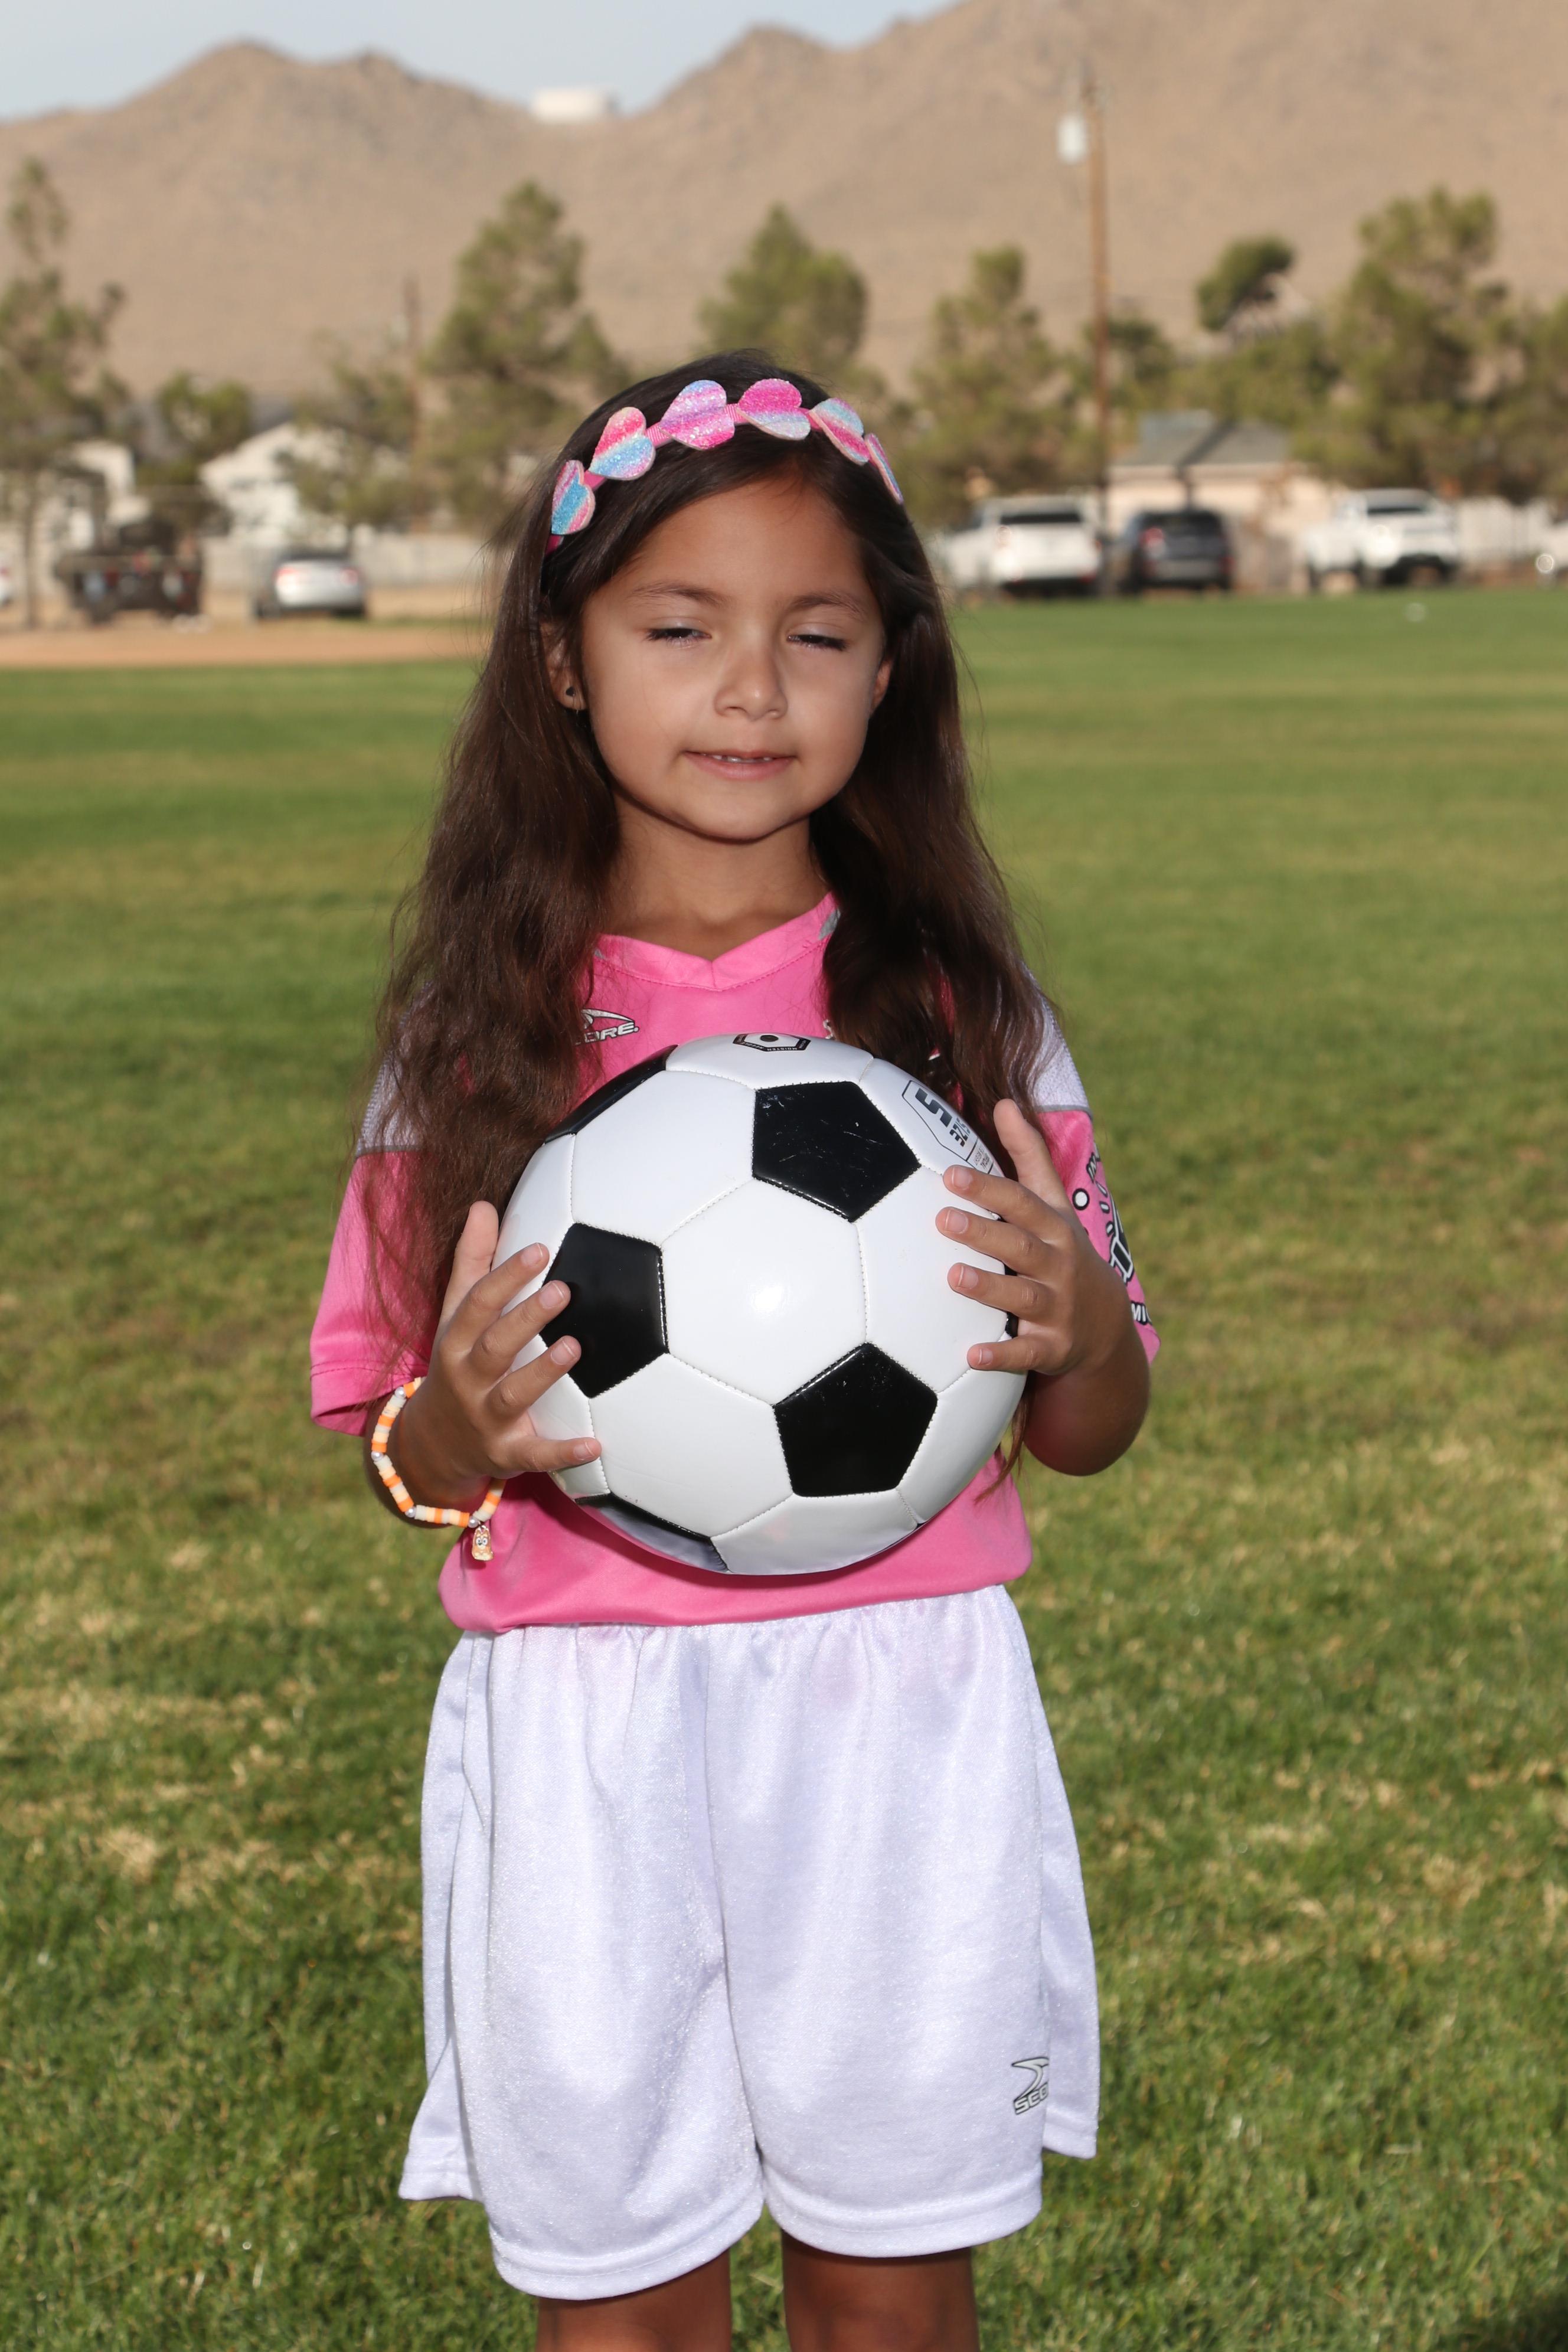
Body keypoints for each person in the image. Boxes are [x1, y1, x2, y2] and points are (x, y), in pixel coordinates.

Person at [309, 352, 1158, 2352]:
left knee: (890, 2289)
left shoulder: (962, 1017)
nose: (753, 691)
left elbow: (1097, 1421)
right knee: (619, 2312)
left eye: (818, 635)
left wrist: (1082, 1323)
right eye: (681, 629)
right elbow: (397, 1459)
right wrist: (465, 1429)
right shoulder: (473, 1040)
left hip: (899, 1706)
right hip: (585, 1725)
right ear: (565, 658)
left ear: (893, 671)